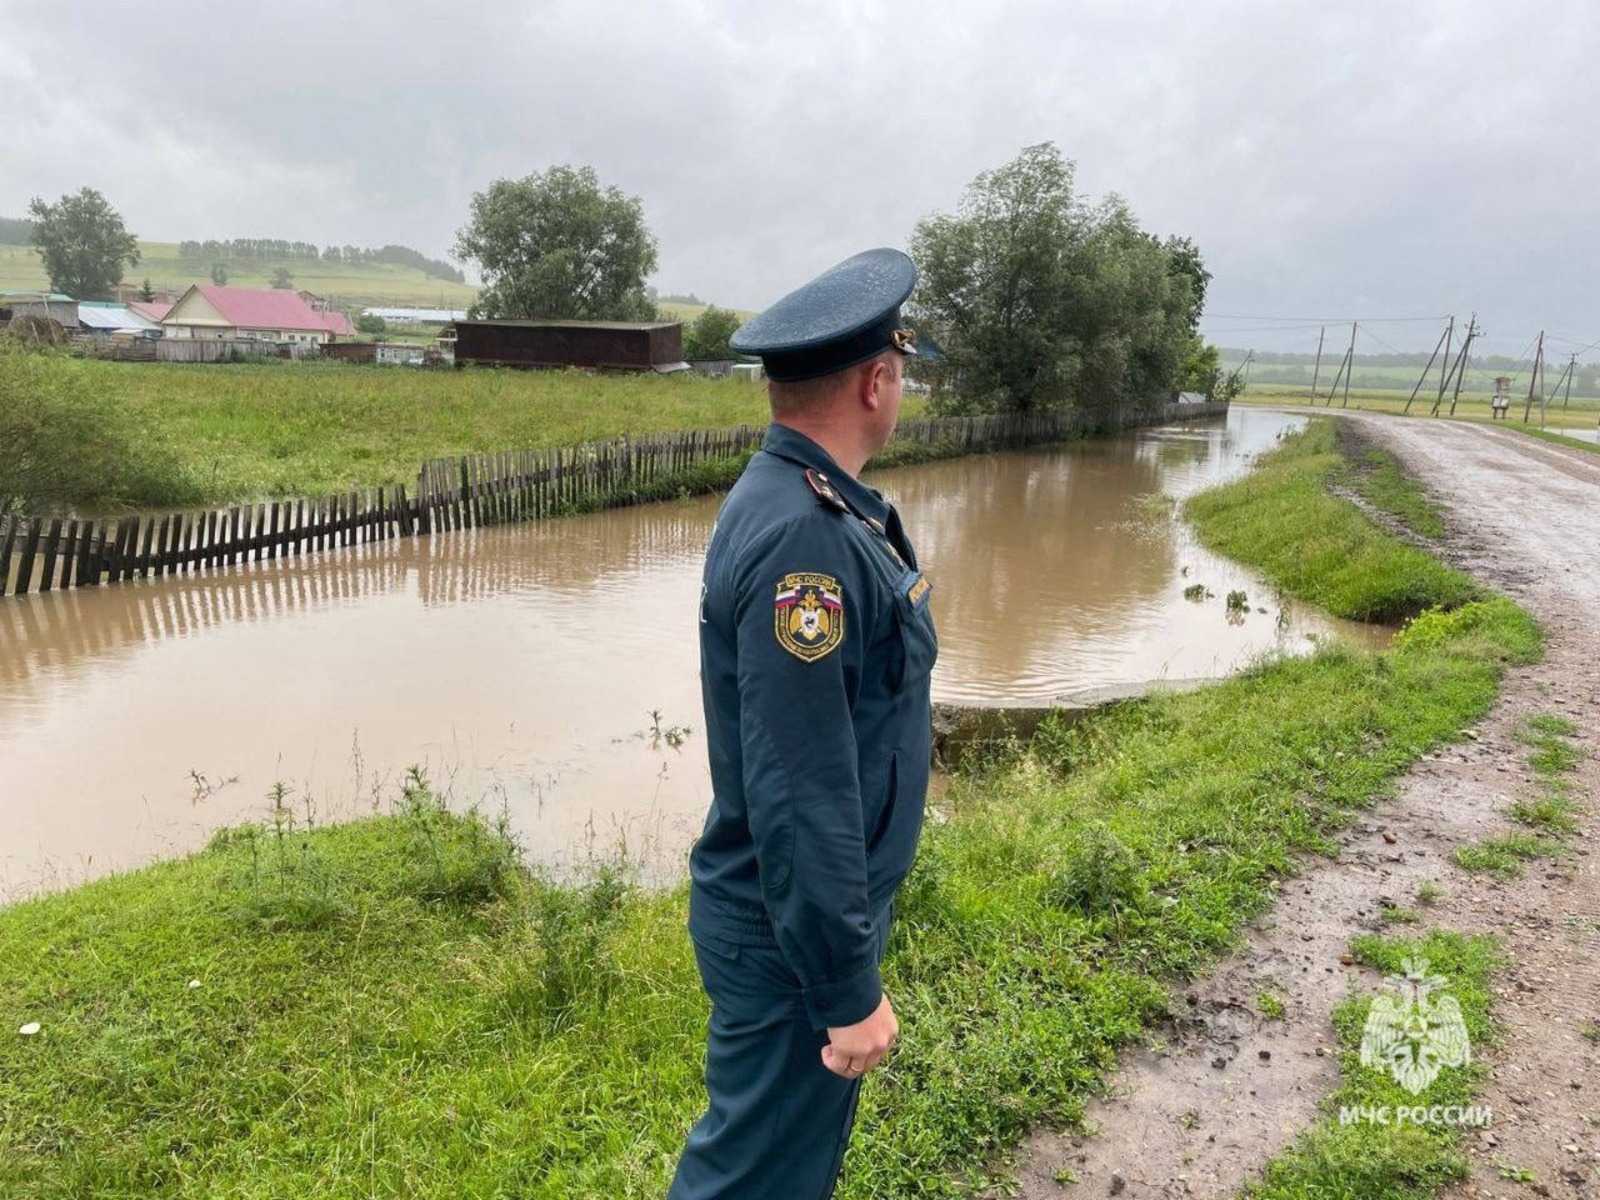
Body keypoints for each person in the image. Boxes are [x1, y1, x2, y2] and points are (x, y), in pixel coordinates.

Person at [668, 248, 939, 1200]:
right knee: (748, 1179)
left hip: (797, 921)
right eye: (900, 369)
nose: (900, 387)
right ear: (876, 381)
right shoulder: (806, 543)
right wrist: (846, 987)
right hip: (793, 939)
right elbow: (802, 787)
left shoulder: (809, 502)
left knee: (777, 1168)